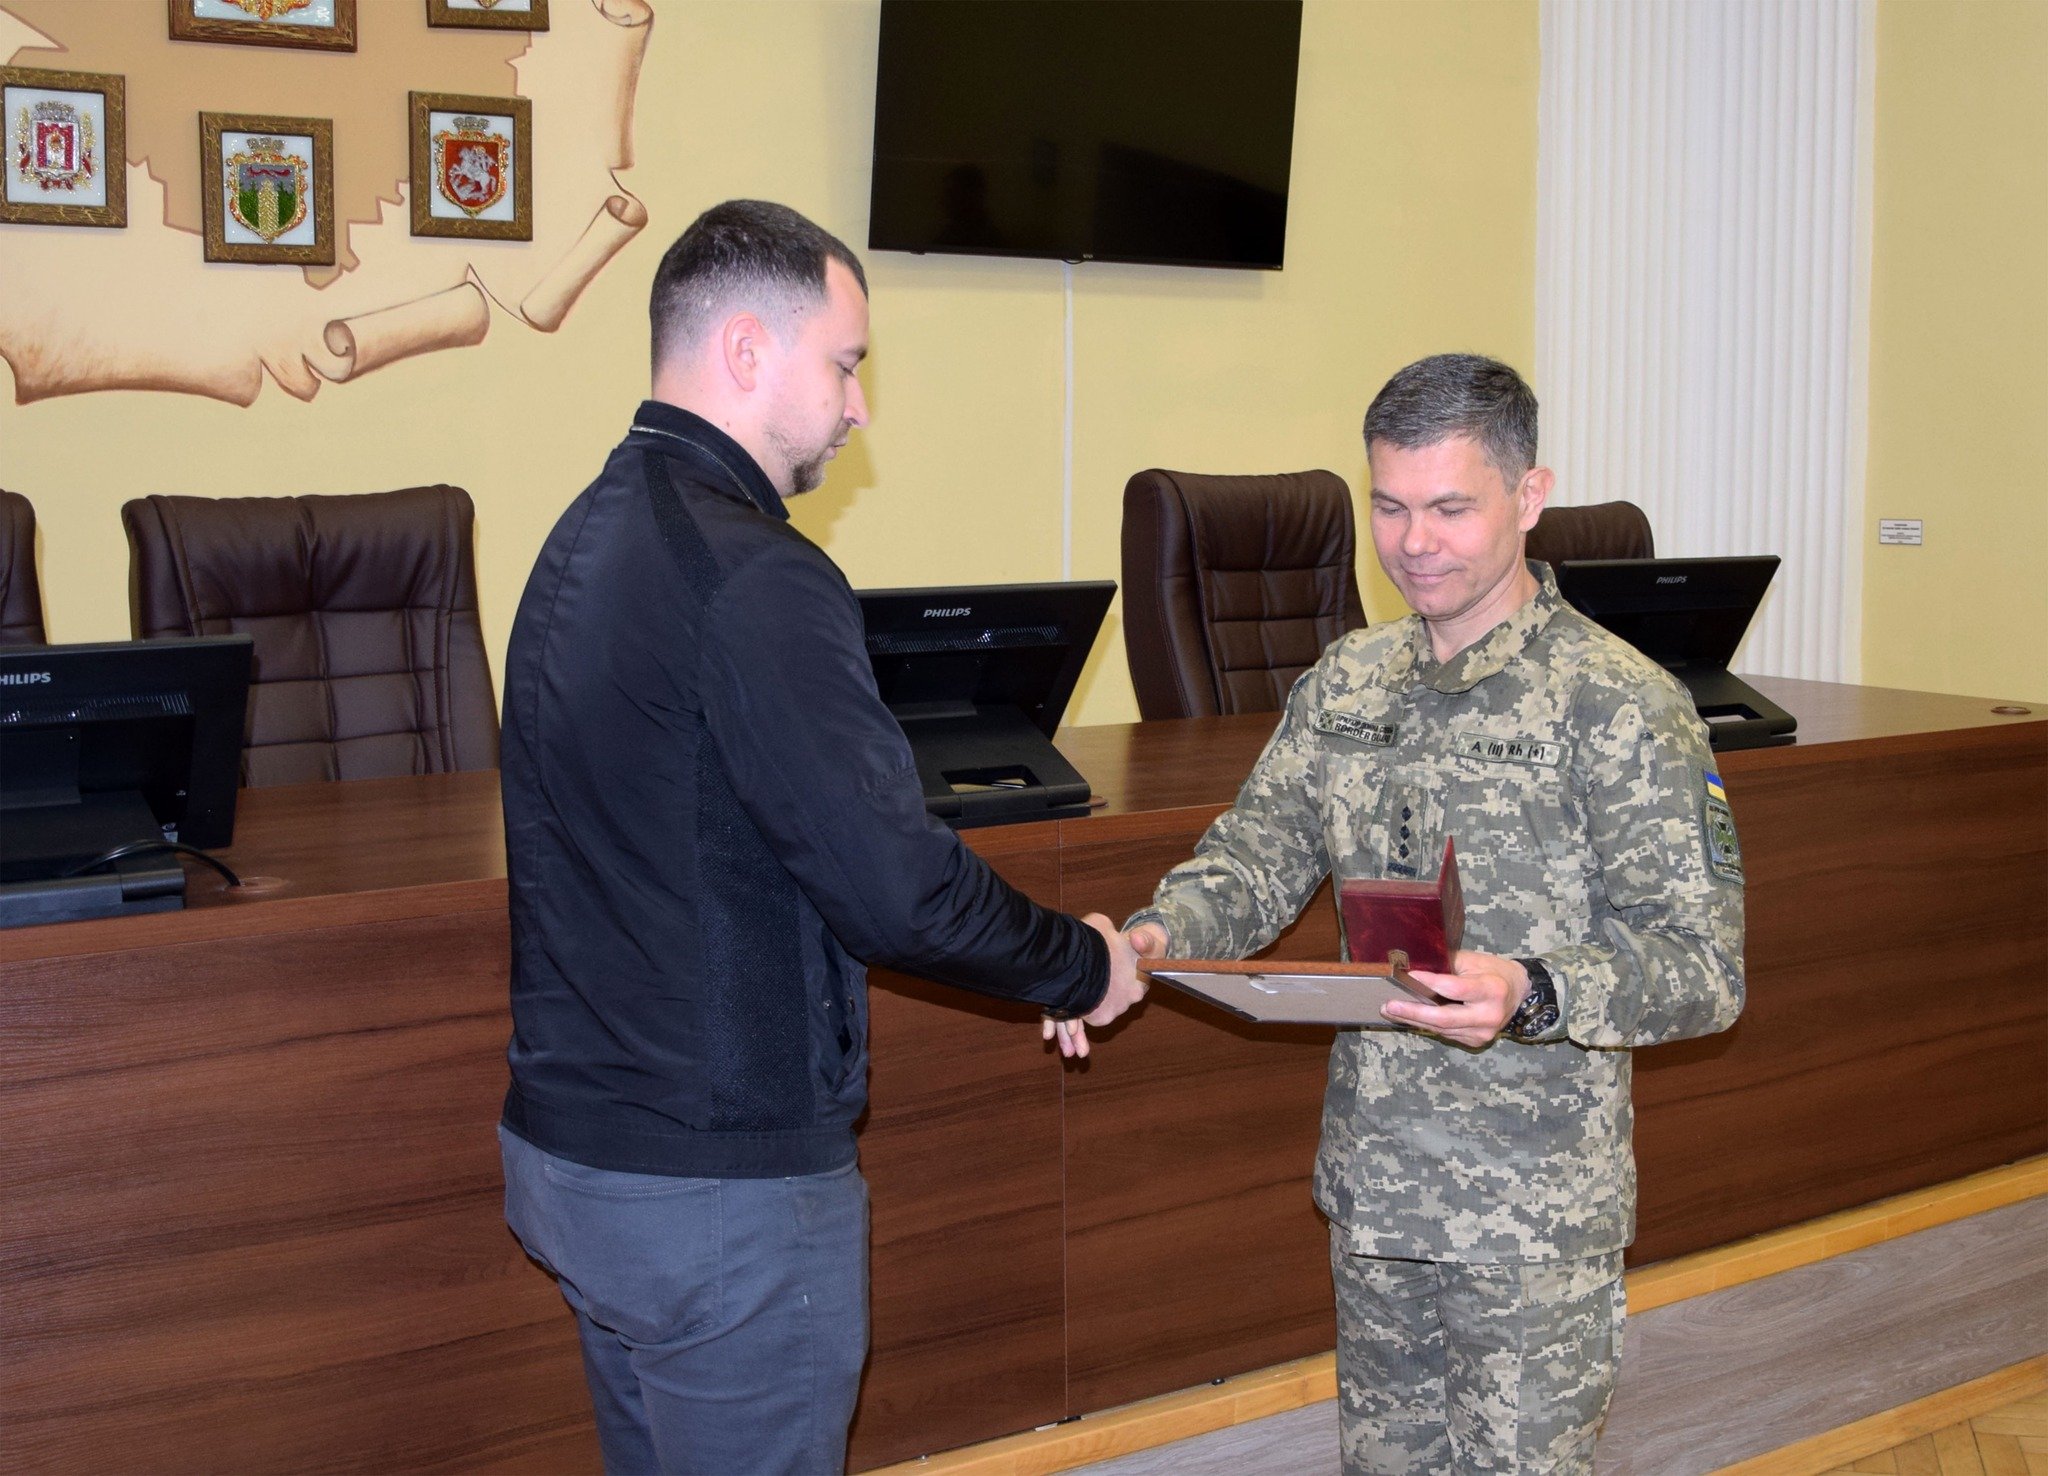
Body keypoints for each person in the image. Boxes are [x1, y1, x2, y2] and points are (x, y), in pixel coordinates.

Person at [496, 199, 1145, 1476]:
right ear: (746, 349)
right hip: (717, 1196)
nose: (858, 409)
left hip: (581, 1161)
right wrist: (1082, 965)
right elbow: (894, 888)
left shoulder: (582, 536)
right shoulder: (755, 575)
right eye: (845, 365)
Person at [1113, 354, 1745, 1474]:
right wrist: (1153, 937)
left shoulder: (1619, 704)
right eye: (1390, 507)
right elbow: (1254, 860)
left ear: (1529, 496)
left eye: (1450, 508)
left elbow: (1702, 967)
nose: (1413, 543)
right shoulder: (1347, 681)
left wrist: (1533, 989)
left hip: (1531, 1216)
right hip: (1377, 1188)